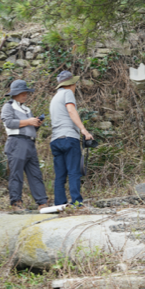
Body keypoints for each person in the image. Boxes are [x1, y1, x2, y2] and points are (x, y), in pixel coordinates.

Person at [1, 80, 48, 211]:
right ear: (15, 93)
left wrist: (35, 124)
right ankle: (16, 202)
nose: (25, 95)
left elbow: (28, 127)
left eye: (26, 93)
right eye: (23, 93)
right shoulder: (8, 106)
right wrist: (28, 121)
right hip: (16, 142)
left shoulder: (27, 109)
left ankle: (42, 202)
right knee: (16, 173)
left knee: (35, 173)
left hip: (30, 143)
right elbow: (9, 123)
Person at [49, 71, 93, 206]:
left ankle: (60, 203)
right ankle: (76, 203)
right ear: (71, 83)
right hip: (69, 138)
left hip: (55, 140)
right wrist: (83, 130)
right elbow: (71, 110)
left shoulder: (54, 98)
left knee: (60, 175)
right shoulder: (68, 93)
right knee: (74, 171)